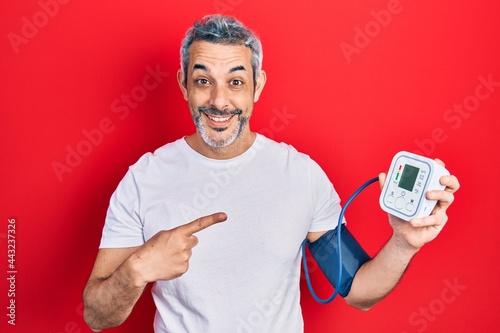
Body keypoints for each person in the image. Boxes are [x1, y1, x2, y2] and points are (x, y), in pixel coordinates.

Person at [83, 14, 460, 333]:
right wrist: (137, 269)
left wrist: (404, 244)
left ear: (257, 86)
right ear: (184, 85)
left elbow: (359, 291)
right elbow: (97, 316)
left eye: (235, 81)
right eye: (202, 81)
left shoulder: (301, 175)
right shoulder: (143, 178)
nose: (218, 100)